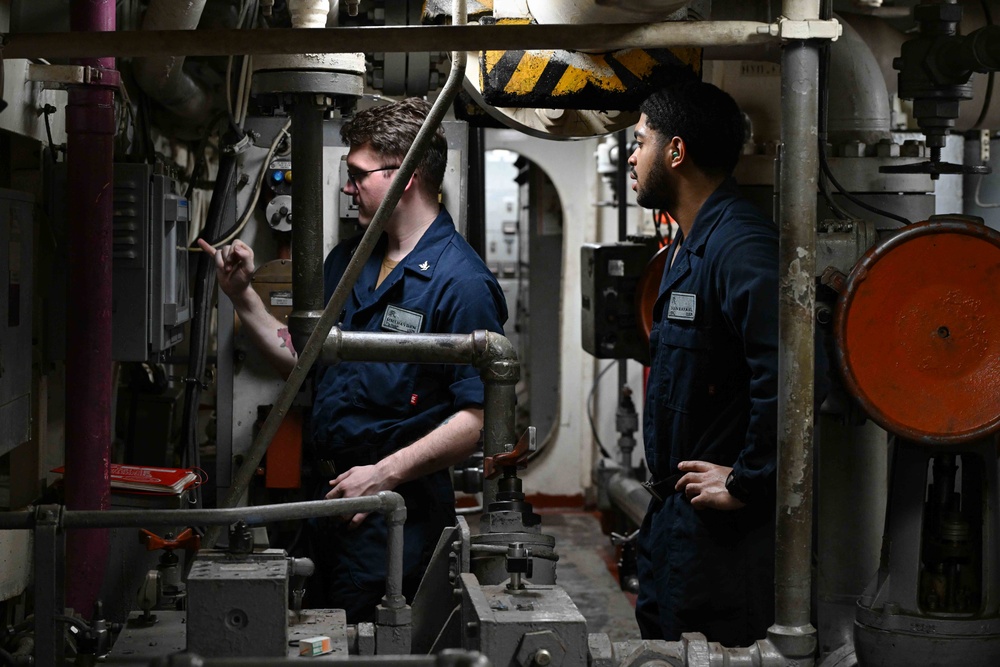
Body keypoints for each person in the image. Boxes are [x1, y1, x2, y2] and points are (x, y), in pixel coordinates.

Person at [200, 98, 508, 623]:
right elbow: (304, 365)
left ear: (404, 177)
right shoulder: (349, 259)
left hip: (397, 521)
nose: (347, 188)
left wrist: (382, 476)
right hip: (325, 503)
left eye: (357, 175)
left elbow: (476, 420)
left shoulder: (462, 283)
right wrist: (242, 297)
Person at [628, 78, 800, 646]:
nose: (631, 156)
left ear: (675, 152)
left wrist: (749, 481)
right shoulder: (687, 245)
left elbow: (792, 375)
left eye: (640, 141)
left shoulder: (740, 247)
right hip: (677, 522)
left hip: (723, 540)